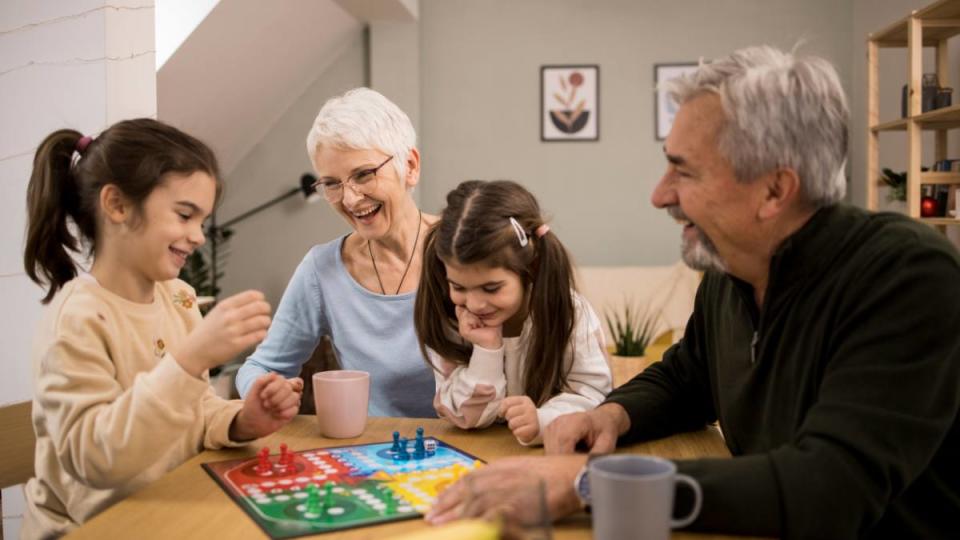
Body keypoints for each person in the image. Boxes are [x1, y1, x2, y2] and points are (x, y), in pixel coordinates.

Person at [426, 46, 960, 539]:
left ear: (775, 189)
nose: (660, 195)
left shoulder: (909, 276)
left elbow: (830, 486)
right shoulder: (731, 271)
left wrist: (587, 481)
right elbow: (688, 376)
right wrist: (610, 416)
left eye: (683, 171)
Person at [20, 118, 302, 538]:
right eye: (185, 215)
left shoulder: (178, 298)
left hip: (169, 511)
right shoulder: (77, 319)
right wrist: (189, 360)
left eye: (202, 221)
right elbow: (96, 459)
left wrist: (243, 419)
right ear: (116, 205)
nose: (198, 236)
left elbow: (191, 411)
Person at [236, 88, 438, 417]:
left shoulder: (468, 249)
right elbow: (260, 366)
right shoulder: (322, 269)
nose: (350, 199)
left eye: (363, 174)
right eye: (332, 183)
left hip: (476, 450)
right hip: (373, 458)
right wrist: (265, 391)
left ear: (410, 166)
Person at [414, 180, 611, 445]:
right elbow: (464, 416)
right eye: (458, 286)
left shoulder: (570, 313)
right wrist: (487, 350)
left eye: (491, 288)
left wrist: (543, 421)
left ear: (529, 268)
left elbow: (594, 396)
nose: (474, 305)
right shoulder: (451, 317)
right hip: (475, 453)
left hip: (549, 457)